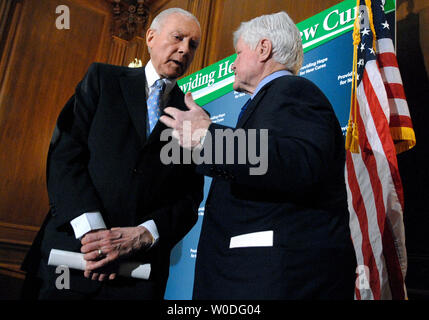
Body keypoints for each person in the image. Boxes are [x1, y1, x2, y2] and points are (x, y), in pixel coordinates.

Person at [160, 11, 357, 299]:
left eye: (239, 53)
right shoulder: (269, 100)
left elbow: (297, 161)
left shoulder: (294, 91)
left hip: (272, 280)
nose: (233, 63)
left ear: (263, 49)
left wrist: (209, 137)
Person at [21, 8, 204, 300]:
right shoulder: (101, 79)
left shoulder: (194, 116)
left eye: (192, 45)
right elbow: (65, 154)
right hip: (71, 258)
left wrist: (143, 236)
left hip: (137, 278)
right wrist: (93, 235)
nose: (184, 49)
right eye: (178, 37)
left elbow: (188, 199)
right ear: (151, 37)